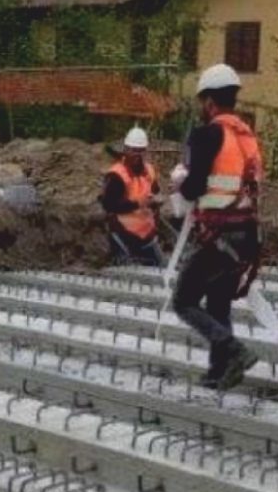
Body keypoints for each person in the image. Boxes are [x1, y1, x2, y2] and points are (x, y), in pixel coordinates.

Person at [173, 64, 263, 389]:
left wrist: (180, 185)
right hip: (246, 236)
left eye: (202, 102)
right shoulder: (246, 137)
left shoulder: (208, 133)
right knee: (218, 303)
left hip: (218, 234)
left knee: (183, 301)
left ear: (209, 101)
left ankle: (233, 350)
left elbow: (195, 187)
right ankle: (220, 371)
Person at [100, 126, 164, 266]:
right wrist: (137, 204)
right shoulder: (117, 175)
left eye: (141, 151)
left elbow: (155, 192)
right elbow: (109, 205)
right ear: (126, 149)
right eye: (134, 150)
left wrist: (157, 201)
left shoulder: (149, 171)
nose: (137, 154)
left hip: (147, 235)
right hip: (123, 237)